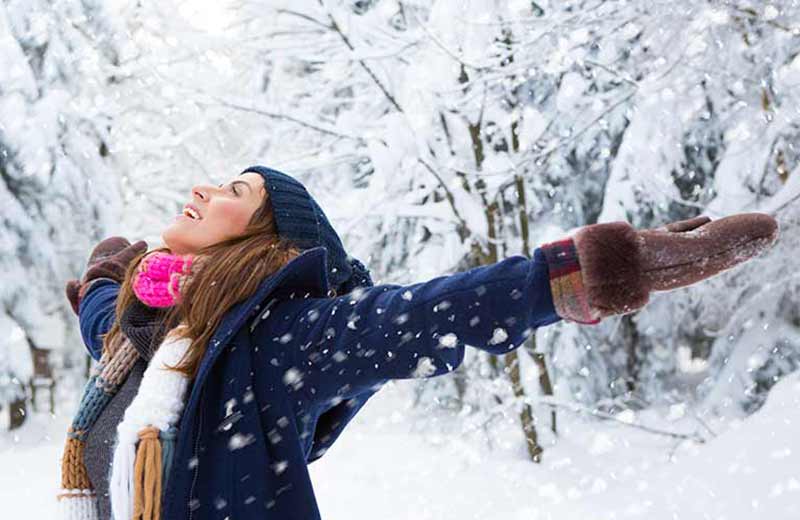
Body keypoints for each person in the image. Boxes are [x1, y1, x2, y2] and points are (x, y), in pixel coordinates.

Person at [59, 165, 779, 520]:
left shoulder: (281, 340)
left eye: (234, 193)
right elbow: (104, 328)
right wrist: (105, 280)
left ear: (260, 241)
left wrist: (596, 269)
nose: (203, 188)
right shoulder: (151, 334)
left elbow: (436, 314)